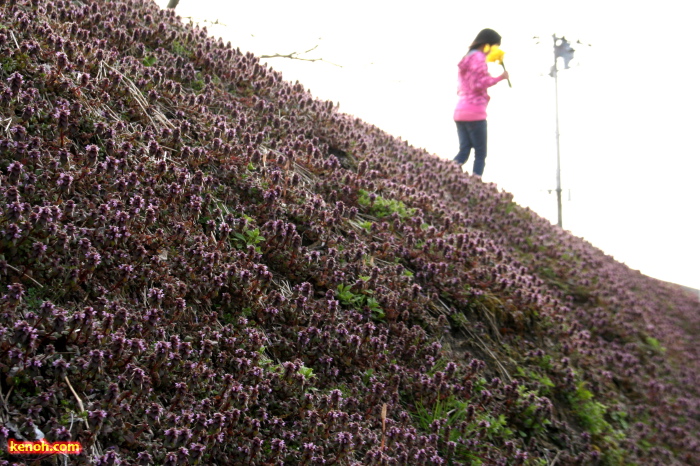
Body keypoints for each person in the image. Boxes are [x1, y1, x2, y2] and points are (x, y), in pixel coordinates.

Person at [453, 28, 509, 177]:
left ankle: (441, 174)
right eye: (494, 47)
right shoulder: (478, 58)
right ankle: (476, 186)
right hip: (475, 112)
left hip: (460, 111)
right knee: (480, 154)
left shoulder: (467, 58)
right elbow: (477, 84)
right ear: (487, 44)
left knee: (464, 151)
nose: (492, 51)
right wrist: (500, 78)